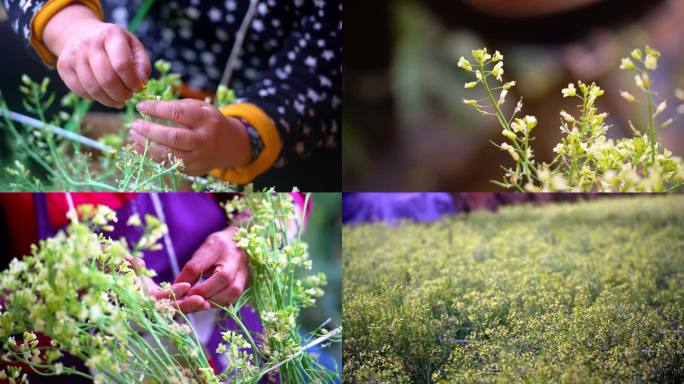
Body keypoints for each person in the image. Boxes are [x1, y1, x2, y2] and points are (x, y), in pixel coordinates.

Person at [3, 0, 341, 190]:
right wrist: (71, 27)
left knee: (295, 181)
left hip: (268, 106)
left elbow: (327, 62)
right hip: (106, 44)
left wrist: (241, 138)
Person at [0, 192, 309, 382]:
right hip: (72, 361)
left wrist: (249, 239)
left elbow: (285, 196)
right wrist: (71, 282)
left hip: (245, 334)